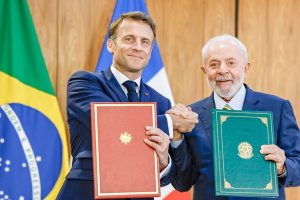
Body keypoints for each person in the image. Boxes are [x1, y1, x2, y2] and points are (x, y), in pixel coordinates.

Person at [57, 11, 198, 200]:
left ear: (150, 51)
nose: (138, 47)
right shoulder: (84, 83)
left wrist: (166, 160)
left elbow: (182, 180)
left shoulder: (161, 102)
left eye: (145, 42)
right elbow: (110, 125)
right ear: (111, 44)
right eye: (129, 39)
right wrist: (171, 123)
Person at [169, 34, 300, 200]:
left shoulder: (278, 108)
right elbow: (182, 183)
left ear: (246, 67)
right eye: (213, 64)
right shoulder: (190, 115)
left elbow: (298, 164)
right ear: (204, 71)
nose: (222, 70)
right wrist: (176, 138)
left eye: (231, 63)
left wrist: (283, 167)